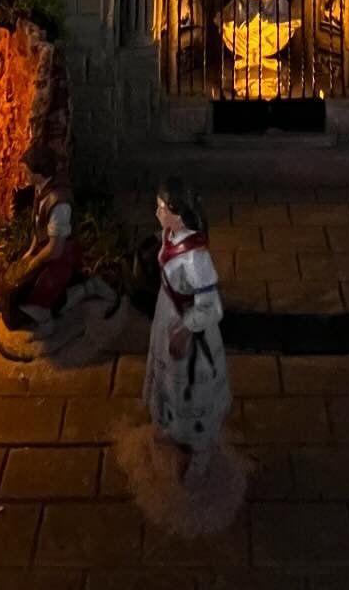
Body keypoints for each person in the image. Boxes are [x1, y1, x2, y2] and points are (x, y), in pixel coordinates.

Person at [143, 178, 231, 480]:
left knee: (192, 391)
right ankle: (172, 427)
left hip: (188, 327)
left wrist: (184, 330)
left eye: (162, 208)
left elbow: (212, 306)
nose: (157, 213)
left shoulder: (196, 258)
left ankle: (199, 452)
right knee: (168, 382)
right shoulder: (170, 234)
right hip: (166, 313)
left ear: (178, 213)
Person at [3, 146, 110, 329]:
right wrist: (30, 252)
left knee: (43, 294)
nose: (25, 176)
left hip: (61, 255)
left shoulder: (58, 203)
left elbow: (55, 249)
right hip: (44, 249)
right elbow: (39, 228)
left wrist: (34, 262)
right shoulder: (40, 188)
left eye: (28, 172)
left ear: (40, 173)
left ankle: (84, 291)